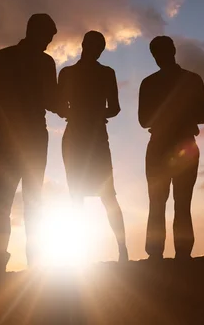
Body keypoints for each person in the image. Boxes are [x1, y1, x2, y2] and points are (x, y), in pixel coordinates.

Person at [0, 13, 60, 274]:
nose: (49, 43)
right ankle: (33, 263)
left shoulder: (0, 57)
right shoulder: (45, 62)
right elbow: (52, 102)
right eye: (48, 37)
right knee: (31, 201)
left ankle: (1, 263)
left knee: (4, 203)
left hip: (10, 136)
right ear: (36, 32)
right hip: (32, 138)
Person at [58, 31, 128, 262]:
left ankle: (122, 249)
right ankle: (83, 253)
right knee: (79, 195)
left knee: (107, 194)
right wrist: (88, 114)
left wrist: (92, 114)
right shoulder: (68, 73)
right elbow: (60, 107)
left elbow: (115, 107)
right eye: (94, 46)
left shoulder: (105, 73)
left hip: (95, 137)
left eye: (100, 48)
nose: (96, 51)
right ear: (84, 45)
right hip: (78, 137)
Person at [139, 36, 204, 260]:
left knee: (175, 201)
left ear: (171, 51)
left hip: (175, 145)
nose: (159, 57)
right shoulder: (188, 80)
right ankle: (165, 253)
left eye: (160, 52)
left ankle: (174, 253)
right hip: (171, 145)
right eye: (155, 53)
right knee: (165, 201)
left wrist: (168, 115)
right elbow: (144, 120)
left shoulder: (184, 80)